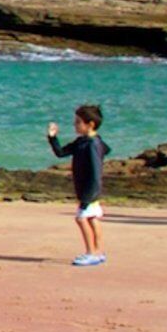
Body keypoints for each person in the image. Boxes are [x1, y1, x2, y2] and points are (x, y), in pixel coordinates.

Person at [46, 104, 110, 266]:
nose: (75, 125)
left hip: (90, 191)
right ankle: (98, 251)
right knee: (92, 219)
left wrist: (89, 196)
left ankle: (92, 253)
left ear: (90, 124)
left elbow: (96, 172)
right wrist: (53, 137)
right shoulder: (82, 142)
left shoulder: (93, 144)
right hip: (86, 190)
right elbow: (61, 153)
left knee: (81, 219)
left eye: (78, 122)